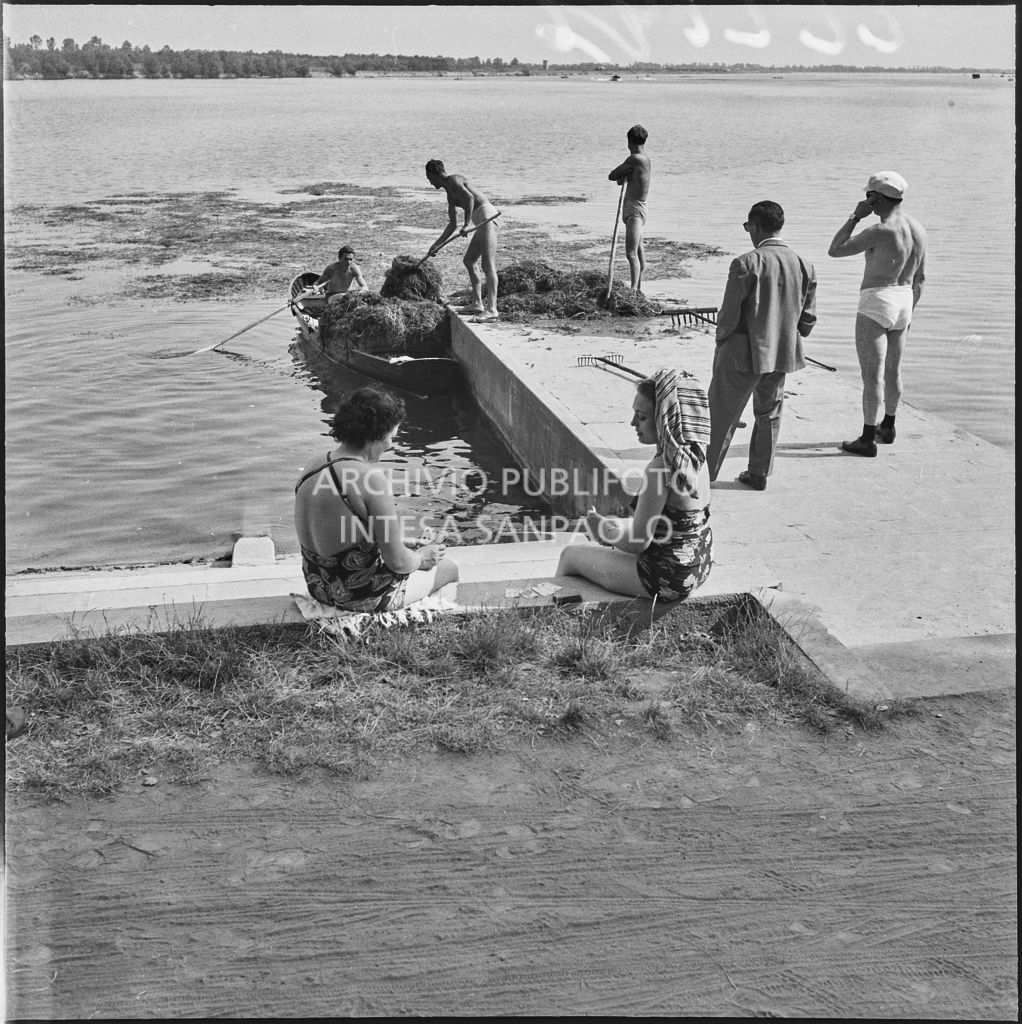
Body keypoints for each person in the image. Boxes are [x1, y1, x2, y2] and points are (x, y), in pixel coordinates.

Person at [294, 386, 459, 612]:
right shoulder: (370, 479)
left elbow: (340, 533)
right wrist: (422, 558)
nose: (392, 444)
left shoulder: (314, 465)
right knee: (449, 568)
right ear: (377, 435)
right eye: (392, 436)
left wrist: (401, 541)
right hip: (357, 598)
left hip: (319, 588)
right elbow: (399, 563)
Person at [556, 369, 713, 602]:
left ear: (664, 420)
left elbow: (638, 543)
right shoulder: (696, 458)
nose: (632, 423)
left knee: (570, 554)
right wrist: (613, 528)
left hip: (667, 578)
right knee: (617, 524)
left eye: (641, 417)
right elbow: (668, 523)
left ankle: (547, 613)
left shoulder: (660, 469)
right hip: (698, 564)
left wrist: (604, 531)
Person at [706, 200, 817, 490]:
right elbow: (808, 319)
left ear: (755, 226)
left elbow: (728, 316)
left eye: (747, 227)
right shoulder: (804, 265)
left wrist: (721, 343)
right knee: (769, 413)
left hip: (740, 354)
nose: (748, 233)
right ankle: (759, 472)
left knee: (720, 416)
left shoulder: (745, 263)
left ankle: (703, 476)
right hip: (780, 352)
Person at [828, 171, 927, 456]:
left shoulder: (879, 230)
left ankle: (867, 438)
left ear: (877, 198)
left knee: (872, 375)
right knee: (894, 370)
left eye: (868, 196)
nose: (865, 200)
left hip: (878, 298)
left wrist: (855, 217)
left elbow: (835, 250)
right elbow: (921, 278)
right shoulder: (918, 229)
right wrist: (910, 313)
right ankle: (889, 426)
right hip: (905, 299)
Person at [424, 158, 499, 322]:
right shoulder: (449, 195)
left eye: (428, 178)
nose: (429, 182)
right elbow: (452, 225)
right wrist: (436, 245)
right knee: (469, 261)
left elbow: (470, 198)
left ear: (432, 174)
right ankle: (477, 304)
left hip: (487, 216)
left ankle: (492, 309)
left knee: (488, 265)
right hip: (478, 220)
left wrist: (466, 224)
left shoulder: (454, 180)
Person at [607, 124, 651, 293]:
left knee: (630, 253)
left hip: (634, 210)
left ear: (629, 142)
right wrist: (625, 175)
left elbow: (612, 175)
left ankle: (633, 290)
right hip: (637, 208)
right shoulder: (644, 159)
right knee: (639, 251)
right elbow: (620, 181)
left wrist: (623, 172)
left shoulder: (635, 159)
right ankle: (638, 288)